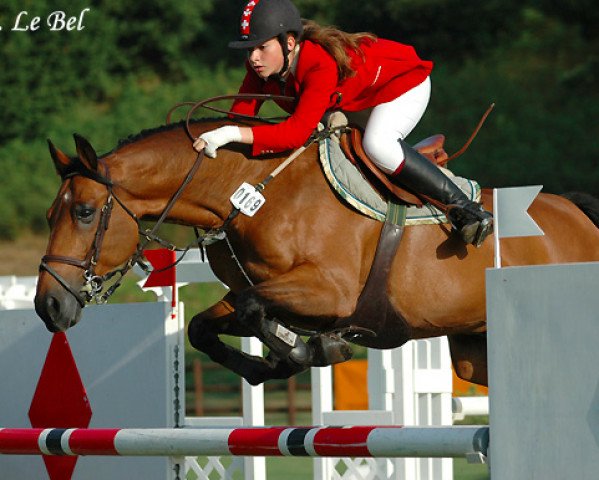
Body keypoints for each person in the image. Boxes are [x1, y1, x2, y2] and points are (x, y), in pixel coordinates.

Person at [193, 0, 493, 246]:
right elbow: (240, 120)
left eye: (261, 48)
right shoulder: (261, 67)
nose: (254, 58)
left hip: (401, 86)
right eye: (249, 50)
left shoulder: (317, 62)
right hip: (352, 101)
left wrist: (231, 133)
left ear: (289, 42)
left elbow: (293, 133)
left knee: (378, 144)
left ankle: (465, 208)